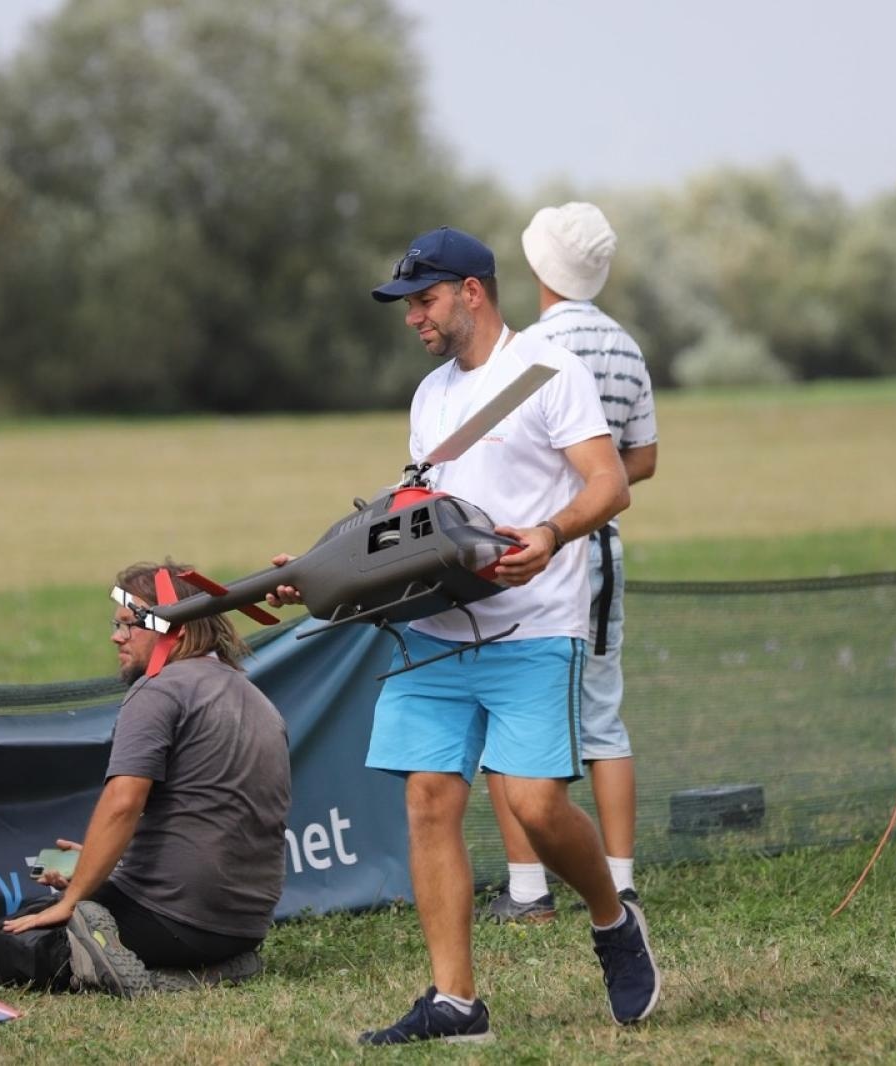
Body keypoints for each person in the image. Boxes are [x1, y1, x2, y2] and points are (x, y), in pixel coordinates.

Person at [274, 226, 661, 1044]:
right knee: (427, 800)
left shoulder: (552, 375)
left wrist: (551, 536)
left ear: (472, 292)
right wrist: (320, 565)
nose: (414, 317)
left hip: (534, 627)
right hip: (436, 632)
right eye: (408, 304)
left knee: (535, 805)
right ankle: (456, 1004)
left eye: (424, 300)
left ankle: (610, 918)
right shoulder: (430, 397)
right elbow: (415, 516)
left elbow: (611, 480)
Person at [484, 202, 659, 922]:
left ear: (537, 267)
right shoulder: (623, 345)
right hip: (601, 553)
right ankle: (618, 879)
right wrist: (596, 484)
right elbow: (641, 459)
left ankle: (529, 890)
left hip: (533, 555)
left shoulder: (526, 349)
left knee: (506, 715)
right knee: (605, 721)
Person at [4, 562, 292, 997]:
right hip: (243, 928)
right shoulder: (258, 698)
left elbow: (124, 802)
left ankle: (154, 979)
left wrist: (73, 897)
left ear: (168, 628)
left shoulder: (158, 690)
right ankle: (212, 968)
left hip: (172, 920)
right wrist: (102, 867)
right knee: (56, 909)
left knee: (9, 943)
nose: (116, 637)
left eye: (128, 626)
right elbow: (205, 817)